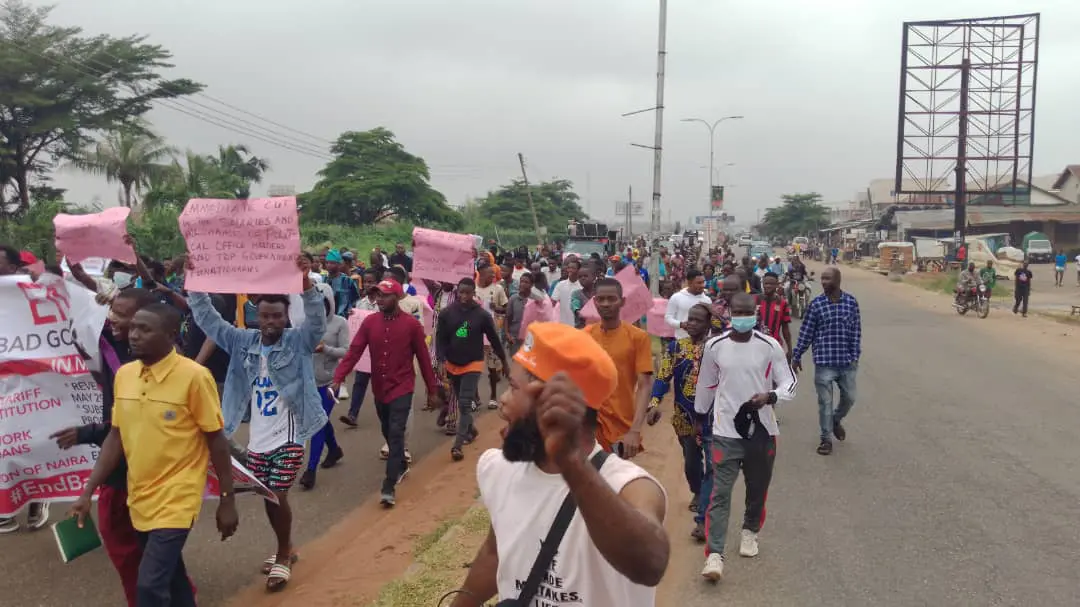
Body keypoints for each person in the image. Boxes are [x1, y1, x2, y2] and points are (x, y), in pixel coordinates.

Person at [450, 323, 669, 607]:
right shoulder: (498, 469)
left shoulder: (629, 485)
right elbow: (496, 552)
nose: (503, 401)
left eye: (514, 389)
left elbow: (650, 564)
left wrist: (572, 462)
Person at [69, 302, 237, 606]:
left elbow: (217, 441)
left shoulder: (195, 377)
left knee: (148, 587)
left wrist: (227, 501)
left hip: (178, 498)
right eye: (133, 327)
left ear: (172, 335)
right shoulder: (125, 376)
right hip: (140, 496)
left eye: (144, 329)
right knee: (172, 579)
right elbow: (116, 437)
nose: (133, 335)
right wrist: (88, 490)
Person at [187, 255, 327, 590]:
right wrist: (193, 280)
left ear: (285, 316)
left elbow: (317, 320)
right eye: (265, 315)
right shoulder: (242, 341)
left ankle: (282, 554)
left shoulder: (298, 340)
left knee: (277, 493)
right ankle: (287, 546)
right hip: (259, 438)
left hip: (291, 434)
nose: (271, 322)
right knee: (268, 496)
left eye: (277, 316)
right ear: (256, 316)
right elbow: (208, 319)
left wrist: (305, 282)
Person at [49, 288, 171, 604]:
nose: (113, 319)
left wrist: (88, 433)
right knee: (145, 548)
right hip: (120, 466)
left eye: (122, 314)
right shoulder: (116, 350)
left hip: (147, 472)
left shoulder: (159, 368)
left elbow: (134, 424)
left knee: (137, 547)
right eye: (112, 312)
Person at [694, 293, 796, 581]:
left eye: (746, 312)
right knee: (720, 494)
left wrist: (771, 395)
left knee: (757, 489)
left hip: (761, 432)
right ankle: (715, 555)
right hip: (724, 431)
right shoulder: (715, 346)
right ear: (729, 314)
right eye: (736, 312)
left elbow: (789, 381)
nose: (741, 317)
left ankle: (750, 532)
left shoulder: (769, 346)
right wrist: (700, 419)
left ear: (756, 314)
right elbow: (706, 384)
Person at [331, 279, 438, 506]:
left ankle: (388, 486)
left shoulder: (411, 326)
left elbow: (424, 359)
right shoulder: (370, 323)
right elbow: (353, 352)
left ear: (397, 297)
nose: (379, 299)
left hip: (403, 386)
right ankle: (399, 464)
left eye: (384, 295)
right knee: (387, 430)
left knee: (397, 432)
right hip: (380, 388)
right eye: (377, 295)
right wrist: (338, 378)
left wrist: (432, 389)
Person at [651, 303, 712, 540]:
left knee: (713, 468)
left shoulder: (716, 348)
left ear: (708, 324)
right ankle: (697, 491)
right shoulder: (676, 348)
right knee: (691, 463)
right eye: (690, 319)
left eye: (698, 320)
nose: (692, 324)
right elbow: (663, 376)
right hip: (684, 417)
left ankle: (705, 514)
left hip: (712, 419)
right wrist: (654, 403)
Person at [791, 267, 861, 456]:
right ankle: (825, 439)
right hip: (824, 362)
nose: (823, 282)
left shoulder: (851, 303)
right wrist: (796, 356)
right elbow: (806, 333)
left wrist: (855, 355)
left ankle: (835, 421)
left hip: (846, 363)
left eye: (827, 278)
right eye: (822, 278)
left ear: (838, 280)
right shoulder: (816, 305)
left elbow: (856, 331)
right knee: (825, 402)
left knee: (850, 398)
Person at [436, 277, 508, 462]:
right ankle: (472, 430)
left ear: (473, 293)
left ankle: (457, 445)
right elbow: (441, 340)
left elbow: (494, 339)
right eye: (461, 292)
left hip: (473, 363)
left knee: (465, 403)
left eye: (468, 293)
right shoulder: (447, 313)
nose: (464, 296)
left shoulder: (481, 315)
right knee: (461, 399)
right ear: (457, 292)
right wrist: (441, 360)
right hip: (453, 363)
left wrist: (504, 362)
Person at [585, 278, 654, 456]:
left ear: (622, 301)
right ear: (594, 302)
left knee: (613, 480)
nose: (606, 304)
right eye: (601, 299)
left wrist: (635, 430)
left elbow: (644, 384)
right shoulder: (585, 336)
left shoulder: (638, 337)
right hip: (587, 425)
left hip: (620, 425)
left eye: (611, 299)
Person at [300, 284, 349, 490]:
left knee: (317, 423)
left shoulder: (340, 323)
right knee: (321, 420)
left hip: (330, 382)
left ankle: (310, 470)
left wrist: (325, 348)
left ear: (329, 301)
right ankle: (335, 449)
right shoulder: (306, 323)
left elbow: (346, 351)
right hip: (309, 383)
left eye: (322, 303)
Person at [338, 269, 380, 428]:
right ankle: (352, 414)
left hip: (379, 350)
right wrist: (352, 316)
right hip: (365, 353)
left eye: (371, 281)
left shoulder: (382, 304)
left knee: (380, 386)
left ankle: (385, 414)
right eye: (366, 281)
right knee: (359, 383)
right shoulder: (360, 304)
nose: (368, 284)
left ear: (377, 283)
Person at [474, 264, 510, 410]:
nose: (493, 277)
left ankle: (493, 397)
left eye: (494, 274)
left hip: (491, 332)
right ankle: (474, 397)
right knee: (474, 366)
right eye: (490, 274)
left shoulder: (498, 289)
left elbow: (506, 308)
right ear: (481, 274)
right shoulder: (473, 289)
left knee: (492, 368)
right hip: (474, 333)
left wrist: (497, 308)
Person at [664, 269, 712, 340]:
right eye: (699, 283)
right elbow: (668, 318)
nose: (702, 285)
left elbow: (709, 321)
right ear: (689, 283)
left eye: (703, 282)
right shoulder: (677, 297)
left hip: (701, 342)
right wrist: (681, 324)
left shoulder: (707, 300)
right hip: (682, 339)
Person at [757, 272, 793, 359]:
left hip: (775, 346)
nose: (768, 286)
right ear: (762, 284)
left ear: (777, 285)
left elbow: (785, 328)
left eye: (771, 284)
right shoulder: (755, 300)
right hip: (756, 346)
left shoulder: (782, 303)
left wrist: (790, 349)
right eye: (766, 283)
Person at [325, 249, 359, 317]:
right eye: (327, 263)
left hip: (343, 318)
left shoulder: (347, 281)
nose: (329, 265)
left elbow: (355, 300)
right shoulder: (324, 280)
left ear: (339, 264)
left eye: (332, 263)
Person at [551, 257, 581, 325]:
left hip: (578, 325)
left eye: (573, 268)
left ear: (578, 270)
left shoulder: (582, 286)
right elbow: (552, 303)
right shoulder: (560, 285)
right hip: (563, 324)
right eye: (569, 268)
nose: (570, 270)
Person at [570, 261, 599, 329]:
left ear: (594, 277)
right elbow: (575, 306)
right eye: (580, 277)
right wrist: (579, 312)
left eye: (585, 276)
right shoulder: (576, 294)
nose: (582, 278)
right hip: (582, 330)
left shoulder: (600, 293)